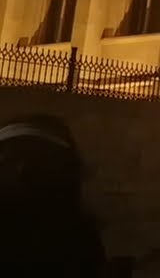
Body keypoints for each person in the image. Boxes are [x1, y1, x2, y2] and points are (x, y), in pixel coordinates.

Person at [0, 114, 105, 277]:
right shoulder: (81, 237)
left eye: (36, 162)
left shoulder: (78, 239)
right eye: (10, 161)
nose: (21, 171)